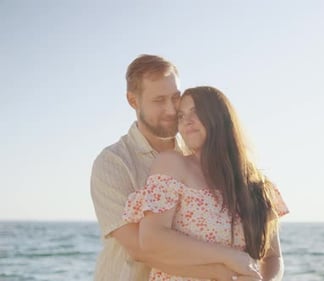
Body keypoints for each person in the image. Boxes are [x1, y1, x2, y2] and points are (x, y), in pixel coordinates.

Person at [91, 55, 261, 281]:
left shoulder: (198, 153)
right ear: (133, 101)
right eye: (159, 100)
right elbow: (142, 250)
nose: (171, 110)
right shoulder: (113, 163)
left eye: (175, 97)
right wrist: (222, 272)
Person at [123, 86, 289, 281]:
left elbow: (273, 257)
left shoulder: (257, 186)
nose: (187, 122)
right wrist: (229, 257)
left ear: (219, 116)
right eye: (181, 116)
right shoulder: (173, 165)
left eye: (196, 112)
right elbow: (152, 239)